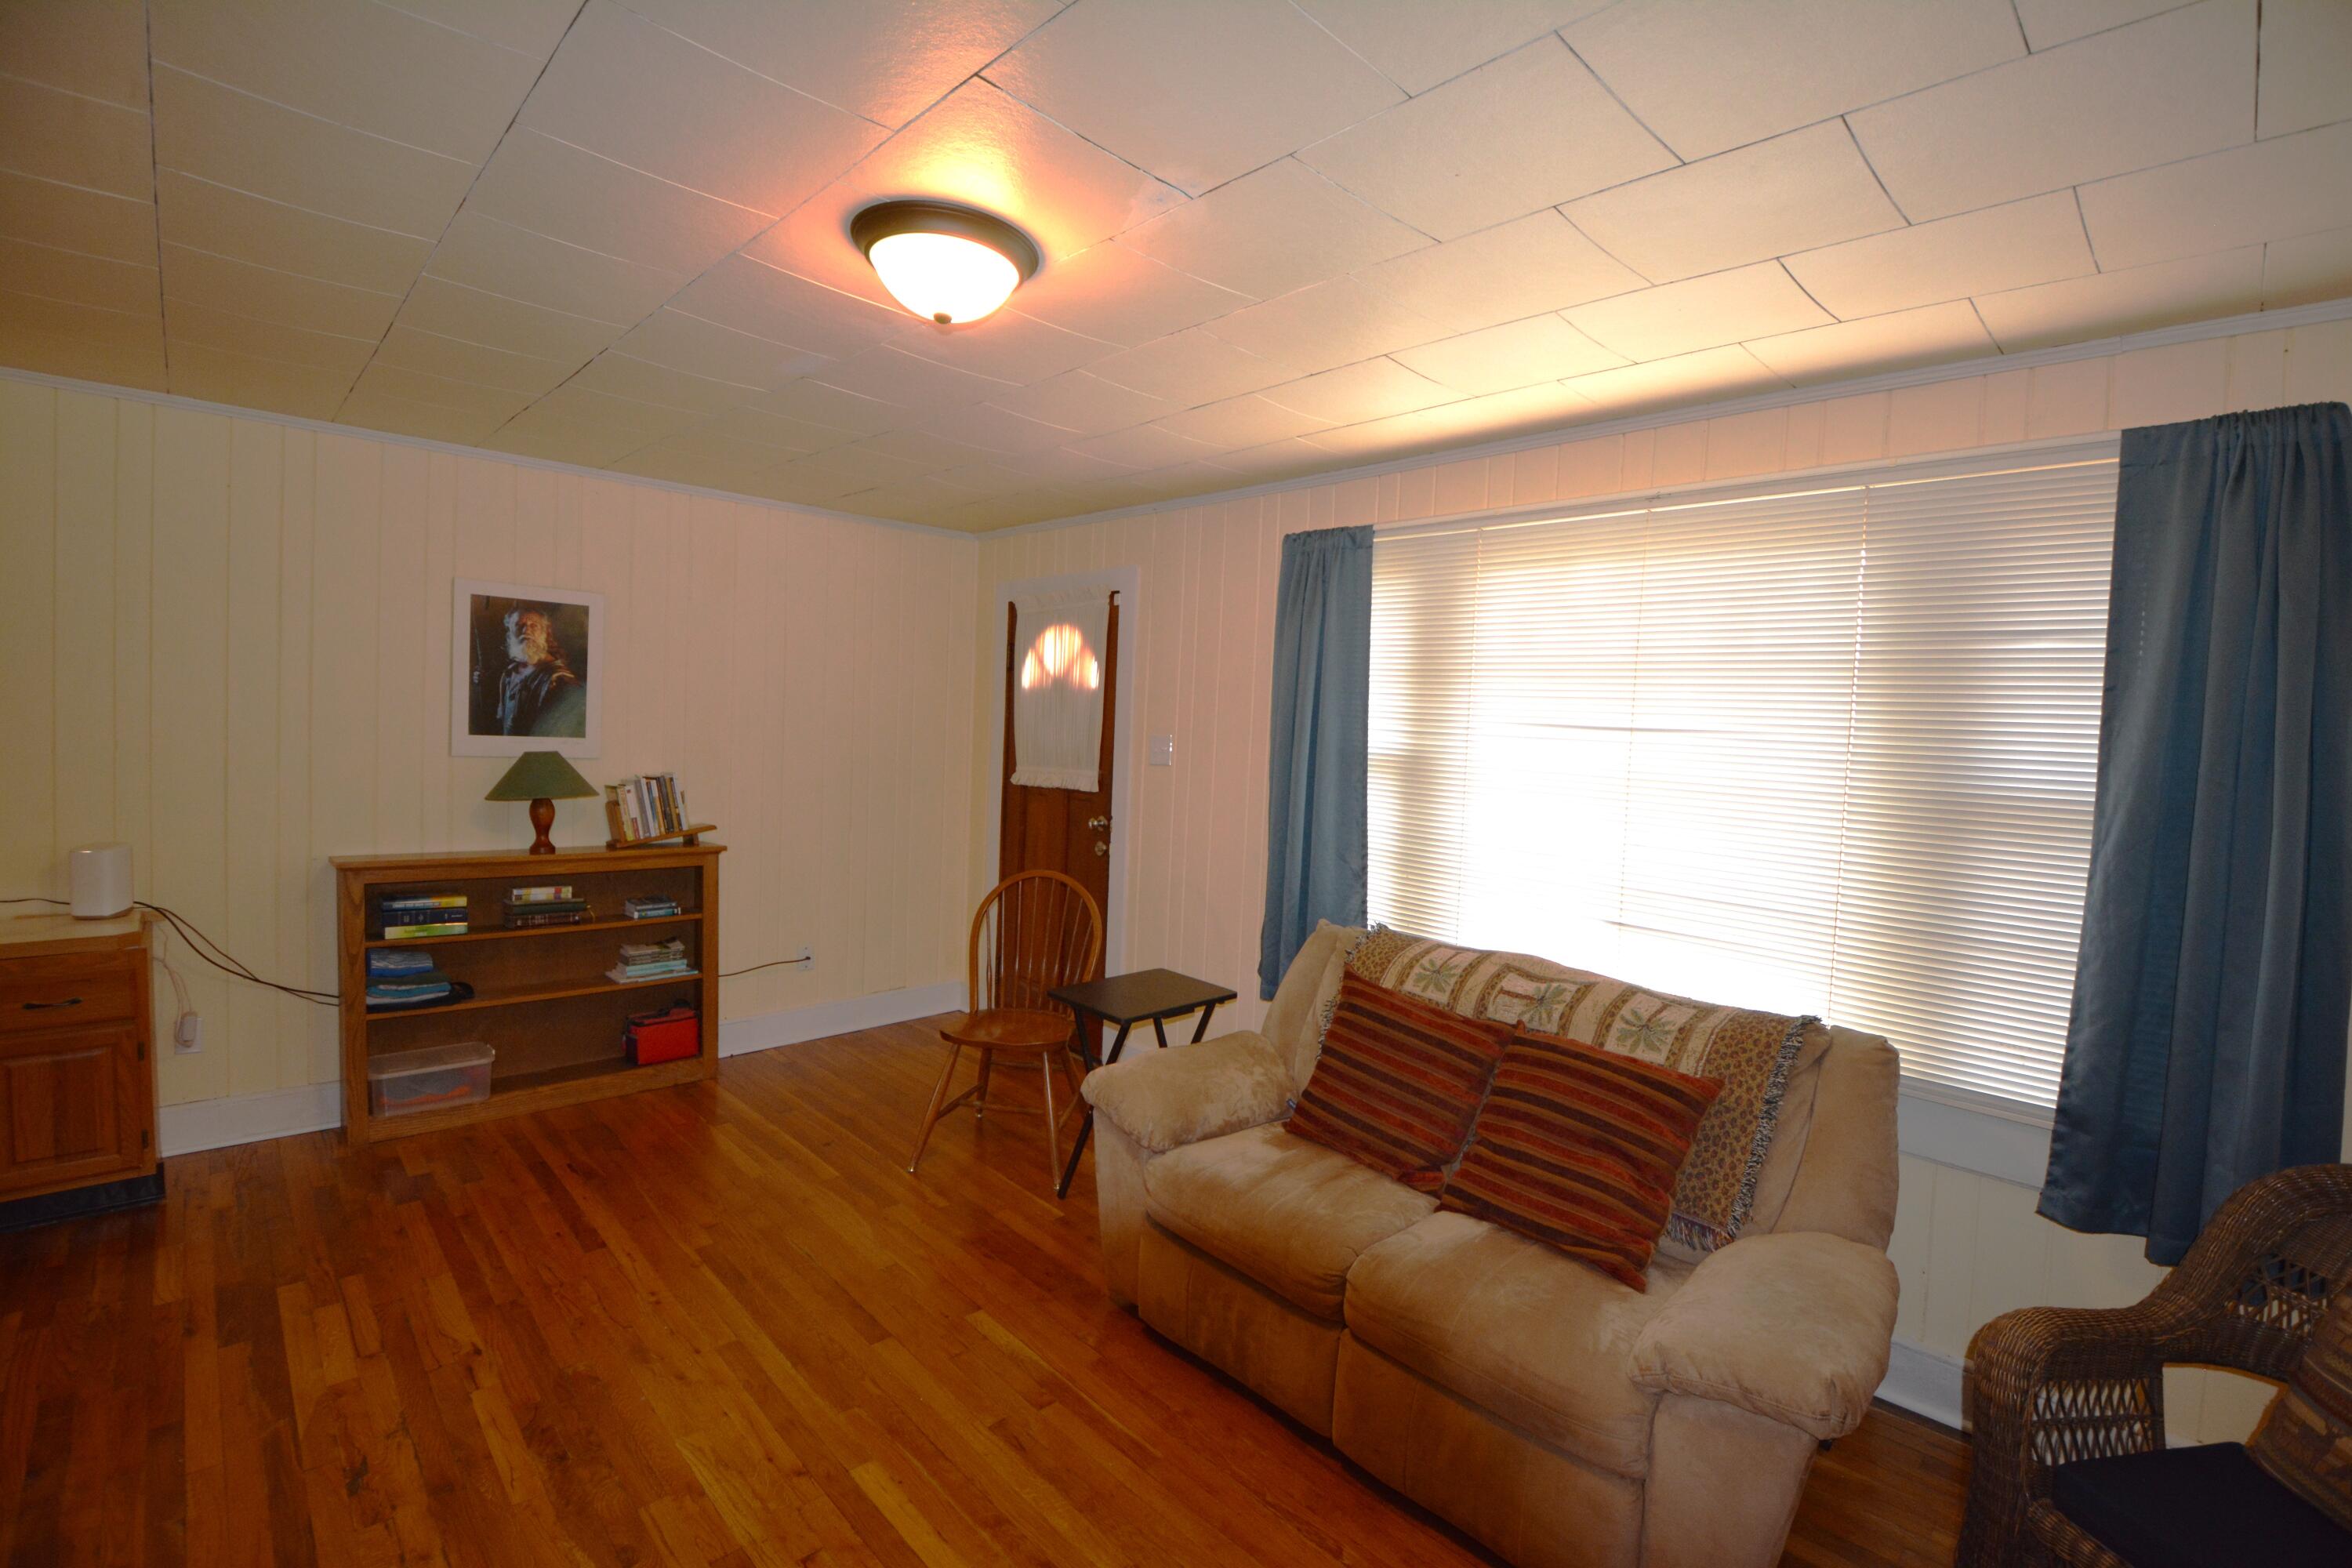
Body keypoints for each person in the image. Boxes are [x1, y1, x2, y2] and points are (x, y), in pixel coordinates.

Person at [495, 606, 586, 737]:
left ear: (545, 633)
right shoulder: (510, 673)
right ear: (510, 632)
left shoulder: (559, 679)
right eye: (519, 625)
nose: (526, 630)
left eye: (534, 626)